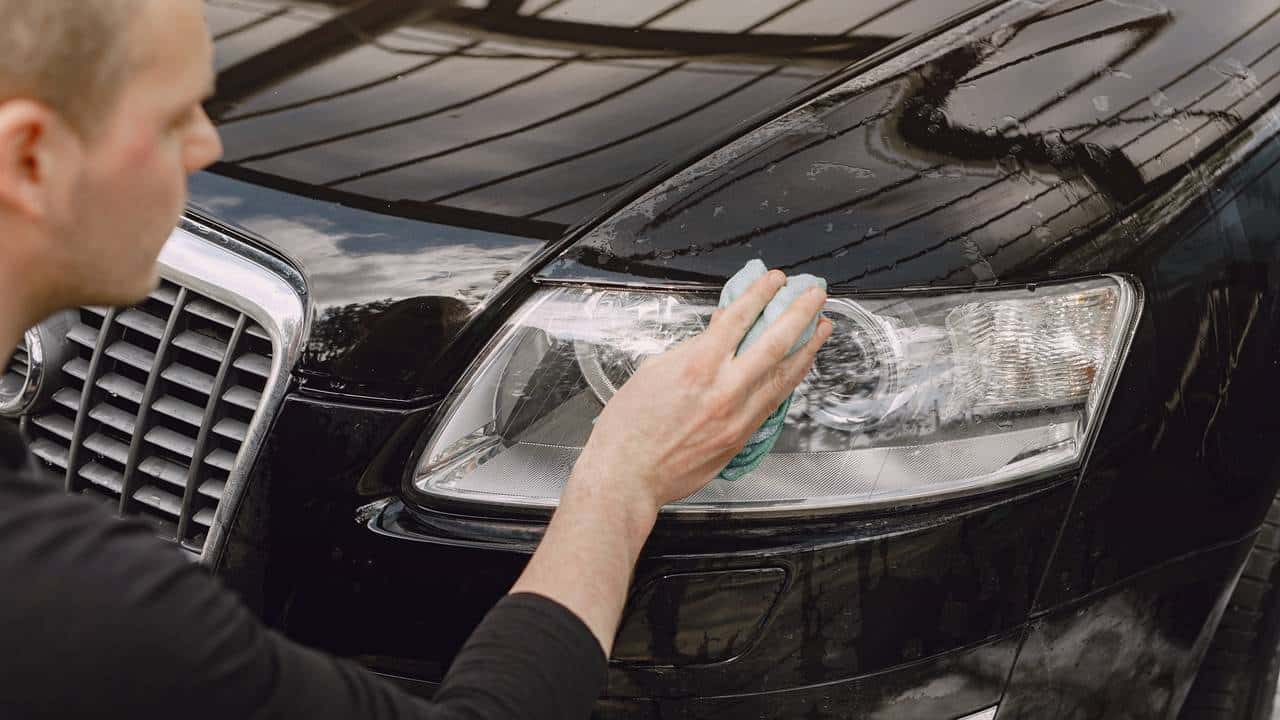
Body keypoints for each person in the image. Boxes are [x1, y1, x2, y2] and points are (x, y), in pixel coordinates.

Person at [0, 1, 832, 718]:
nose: (207, 145)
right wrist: (624, 476)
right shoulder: (75, 602)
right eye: (173, 117)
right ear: (32, 158)